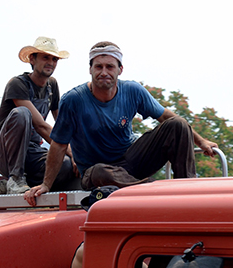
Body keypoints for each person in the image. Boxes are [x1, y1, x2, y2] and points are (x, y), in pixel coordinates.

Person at [24, 41, 218, 205]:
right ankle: (153, 188)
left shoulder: (132, 90)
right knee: (99, 172)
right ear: (90, 69)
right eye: (98, 67)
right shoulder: (73, 100)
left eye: (110, 66)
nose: (104, 72)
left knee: (178, 124)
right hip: (98, 170)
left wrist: (201, 142)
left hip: (131, 161)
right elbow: (58, 144)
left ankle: (187, 192)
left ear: (120, 70)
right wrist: (46, 185)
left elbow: (166, 116)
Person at [0, 36, 80, 195]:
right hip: (5, 153)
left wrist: (78, 153)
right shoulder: (18, 84)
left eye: (54, 59)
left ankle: (15, 185)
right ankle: (15, 178)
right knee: (22, 114)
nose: (50, 63)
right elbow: (41, 126)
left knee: (64, 165)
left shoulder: (52, 85)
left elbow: (63, 125)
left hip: (31, 152)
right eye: (45, 57)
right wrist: (72, 151)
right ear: (32, 59)